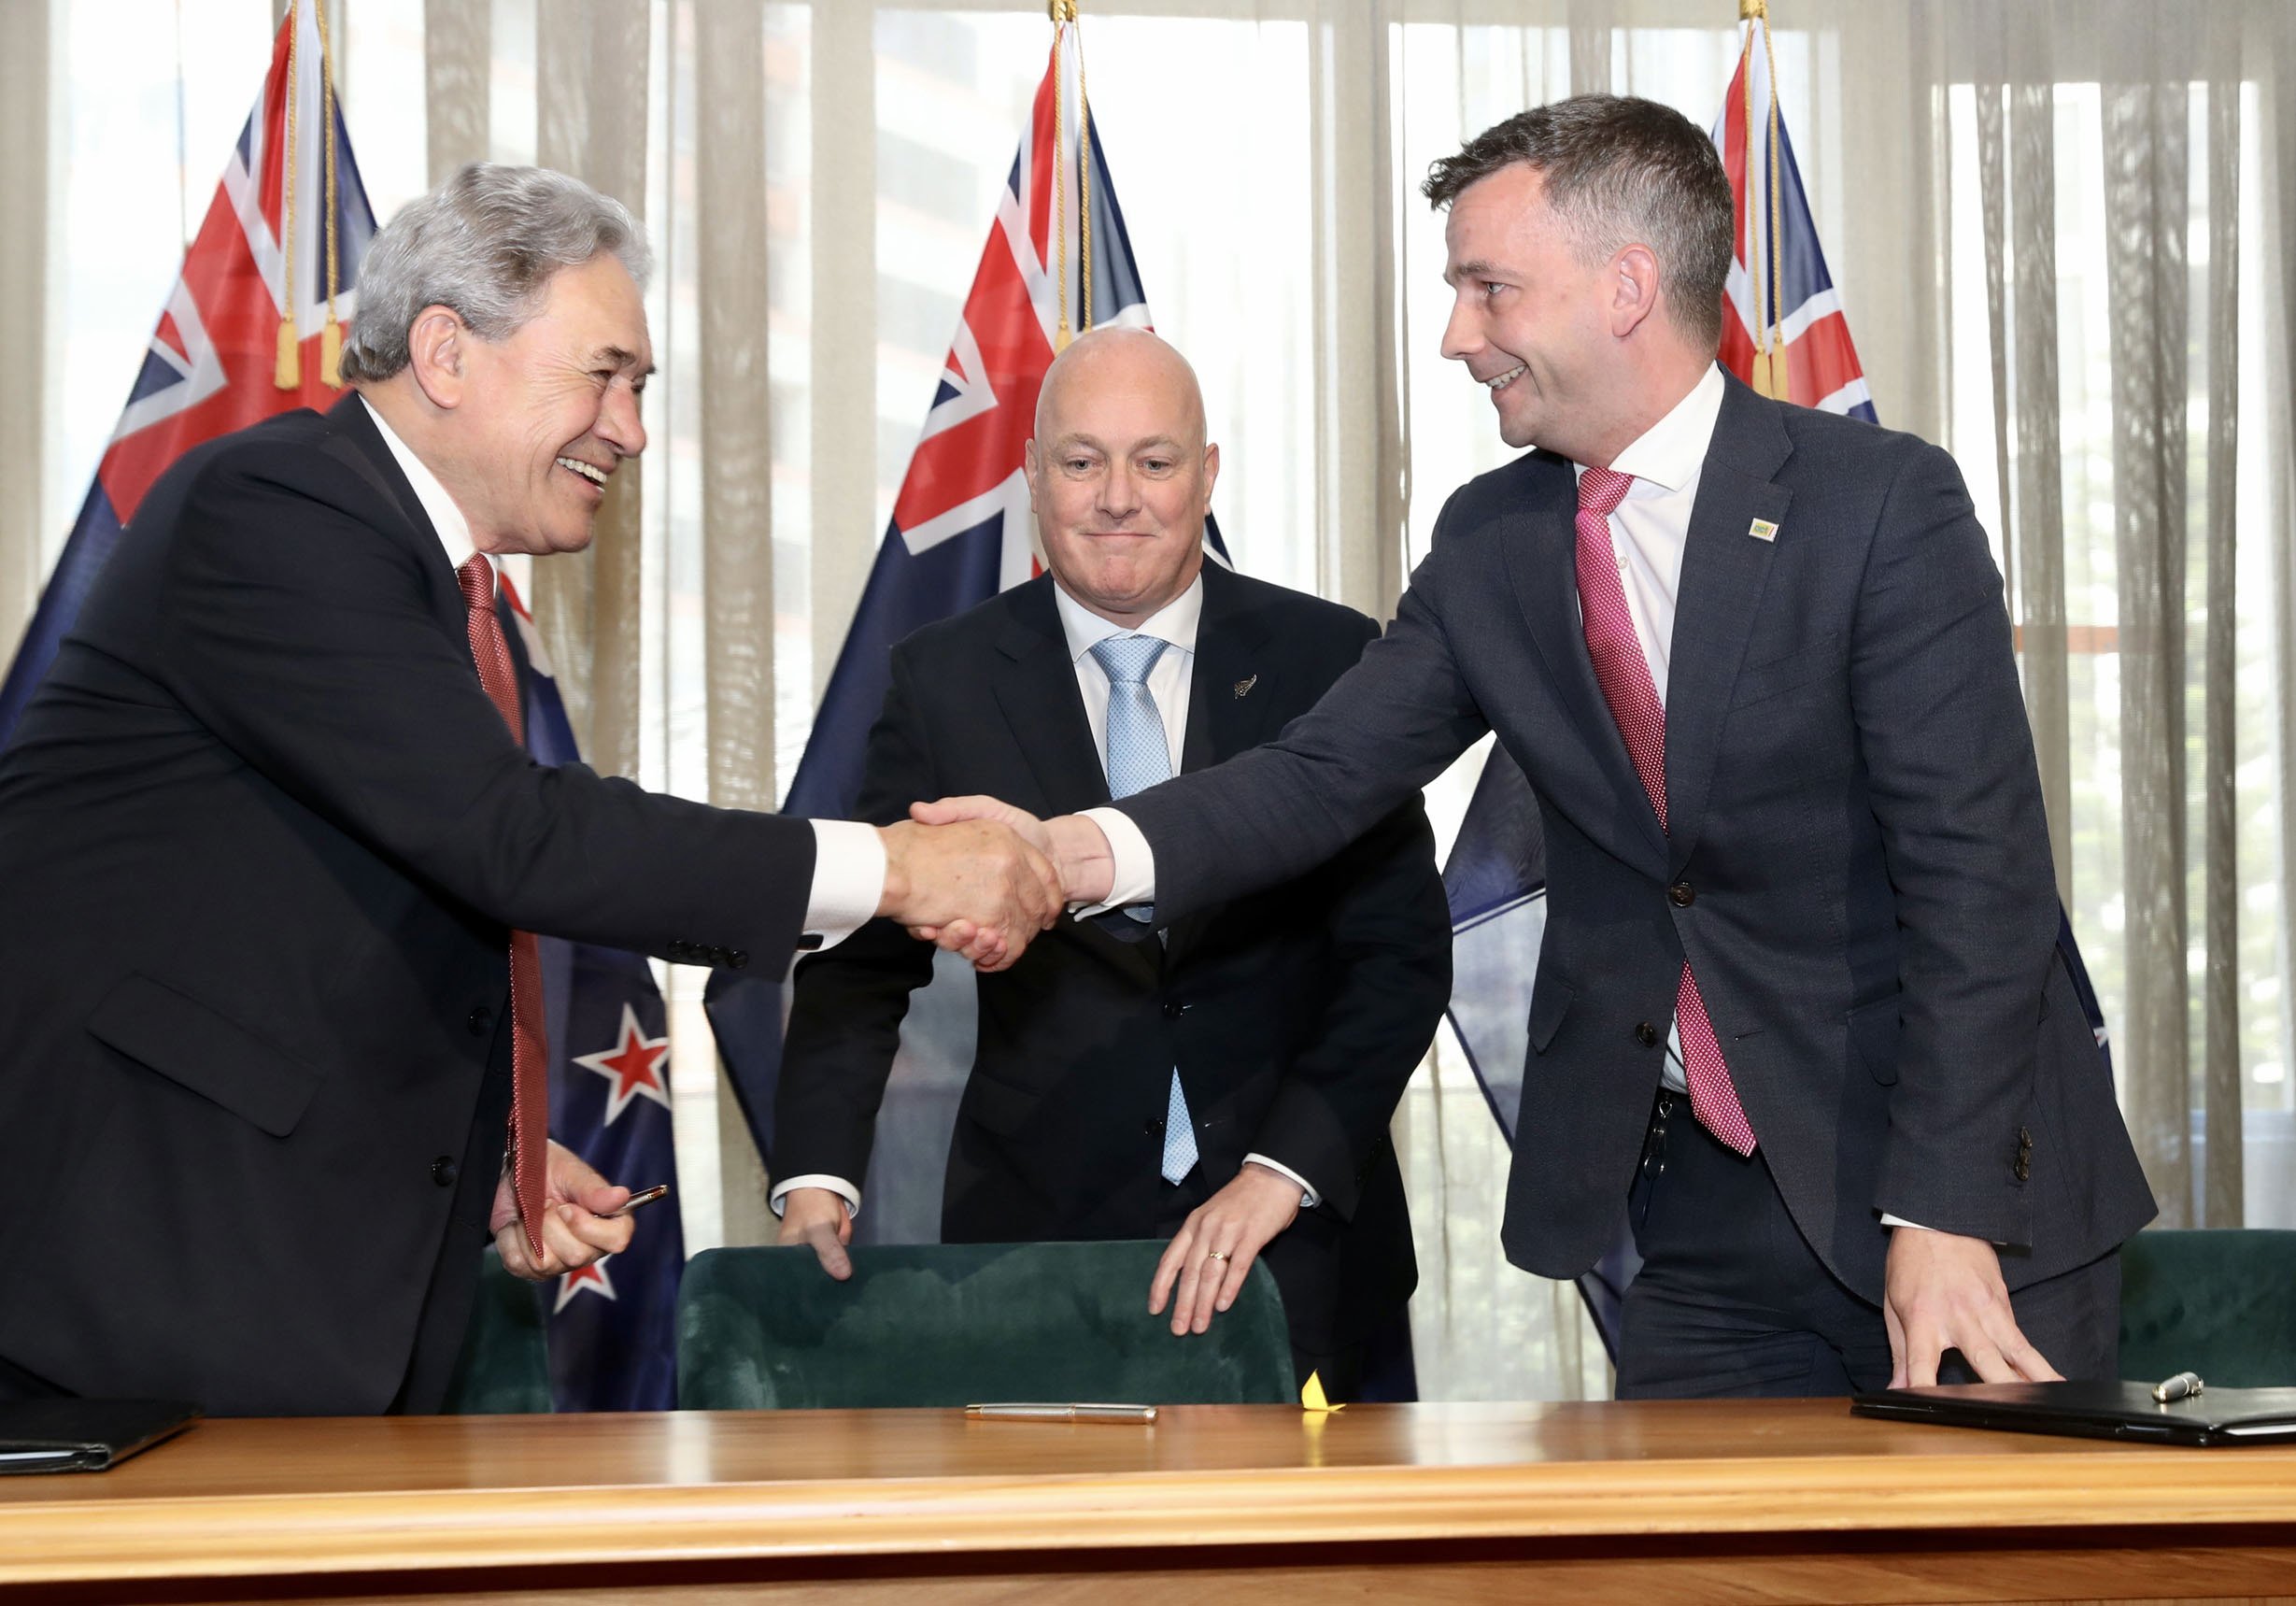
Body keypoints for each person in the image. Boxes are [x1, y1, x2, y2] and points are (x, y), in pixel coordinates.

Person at [917, 97, 2157, 1397]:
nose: (1458, 335)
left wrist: (1942, 1206)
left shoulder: (1876, 508)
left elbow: (1980, 883)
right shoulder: (1495, 539)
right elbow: (1321, 772)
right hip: (1702, 1222)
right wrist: (1065, 853)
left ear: (1625, 288)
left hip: (1956, 1208)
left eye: (1487, 289)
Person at [0, 163, 1057, 1416]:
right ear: (445, 351)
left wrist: (481, 1153)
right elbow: (511, 836)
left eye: (641, 388)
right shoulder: (279, 507)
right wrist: (896, 869)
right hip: (125, 1289)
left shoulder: (426, 581)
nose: (631, 427)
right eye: (603, 374)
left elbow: (314, 912)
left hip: (273, 1286)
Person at [773, 328, 1451, 1399]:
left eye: (1155, 460)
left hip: (1301, 1238)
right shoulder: (940, 680)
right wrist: (815, 1173)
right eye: (1082, 462)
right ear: (1033, 476)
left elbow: (1396, 957)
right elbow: (862, 953)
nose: (1117, 498)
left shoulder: (1330, 659)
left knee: (1322, 1570)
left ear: (1207, 474)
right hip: (1038, 1250)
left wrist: (1284, 1171)